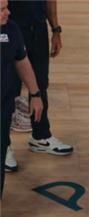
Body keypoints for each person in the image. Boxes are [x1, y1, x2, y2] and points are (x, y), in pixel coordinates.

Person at [8, 0, 72, 155]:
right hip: (10, 30)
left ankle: (41, 136)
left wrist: (56, 30)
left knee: (40, 83)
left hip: (38, 28)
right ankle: (4, 145)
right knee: (8, 89)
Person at [1, 0, 43, 200]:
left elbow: (22, 60)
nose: (8, 12)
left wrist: (35, 94)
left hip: (3, 107)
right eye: (1, 9)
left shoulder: (11, 29)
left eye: (6, 7)